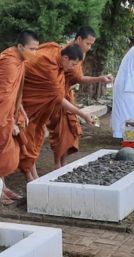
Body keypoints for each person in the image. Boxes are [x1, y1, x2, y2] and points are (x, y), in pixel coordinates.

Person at [0, 30, 39, 204]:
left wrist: (20, 109)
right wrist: (11, 121)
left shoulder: (19, 60)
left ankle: (2, 187)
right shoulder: (9, 62)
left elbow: (13, 92)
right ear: (20, 46)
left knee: (9, 151)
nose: (34, 53)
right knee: (1, 151)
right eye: (31, 49)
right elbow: (1, 95)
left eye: (37, 49)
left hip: (8, 111)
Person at [19, 43, 90, 181]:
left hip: (39, 105)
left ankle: (34, 176)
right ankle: (30, 176)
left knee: (35, 137)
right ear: (65, 58)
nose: (73, 69)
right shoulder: (49, 67)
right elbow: (59, 98)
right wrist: (82, 114)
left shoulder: (56, 51)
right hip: (27, 102)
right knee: (28, 139)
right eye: (73, 64)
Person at [46, 26, 112, 169]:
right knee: (59, 132)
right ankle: (58, 165)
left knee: (69, 131)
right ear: (79, 39)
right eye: (88, 43)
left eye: (91, 45)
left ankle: (63, 164)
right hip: (57, 97)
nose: (89, 47)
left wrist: (100, 78)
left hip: (68, 96)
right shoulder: (66, 54)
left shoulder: (78, 54)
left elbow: (79, 78)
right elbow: (62, 78)